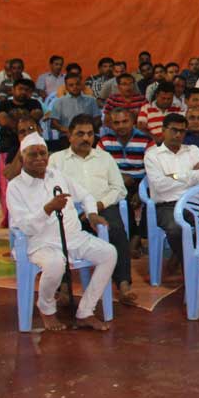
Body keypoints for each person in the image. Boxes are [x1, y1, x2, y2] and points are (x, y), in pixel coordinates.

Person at [8, 133, 117, 331]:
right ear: (22, 157)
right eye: (33, 154)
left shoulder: (57, 175)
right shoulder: (15, 187)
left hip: (74, 237)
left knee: (109, 253)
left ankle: (86, 311)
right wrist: (47, 209)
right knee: (55, 263)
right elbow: (24, 227)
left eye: (43, 153)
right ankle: (47, 308)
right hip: (40, 243)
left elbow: (85, 195)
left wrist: (92, 214)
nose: (39, 158)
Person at [48, 115, 135, 304]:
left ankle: (123, 285)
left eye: (89, 134)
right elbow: (49, 190)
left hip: (101, 206)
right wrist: (73, 209)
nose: (86, 138)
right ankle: (64, 287)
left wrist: (98, 205)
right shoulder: (56, 160)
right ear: (70, 136)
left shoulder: (104, 158)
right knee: (58, 233)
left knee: (116, 229)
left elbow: (119, 189)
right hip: (70, 210)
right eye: (80, 134)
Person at [143, 113, 199, 275]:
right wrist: (190, 175)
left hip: (194, 202)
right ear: (163, 130)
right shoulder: (152, 155)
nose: (178, 134)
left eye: (182, 131)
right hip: (166, 205)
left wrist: (174, 176)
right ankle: (191, 266)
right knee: (175, 229)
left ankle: (181, 258)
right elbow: (160, 186)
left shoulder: (193, 150)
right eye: (174, 130)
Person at [98, 107, 154, 258]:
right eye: (116, 123)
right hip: (116, 181)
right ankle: (133, 239)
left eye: (125, 121)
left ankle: (138, 236)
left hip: (143, 181)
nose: (121, 126)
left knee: (151, 200)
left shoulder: (146, 140)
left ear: (132, 122)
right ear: (111, 124)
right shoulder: (104, 141)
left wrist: (141, 190)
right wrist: (119, 177)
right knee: (120, 198)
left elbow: (154, 169)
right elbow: (99, 168)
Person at [50, 73, 101, 137]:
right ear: (66, 87)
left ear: (81, 85)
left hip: (88, 135)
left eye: (77, 84)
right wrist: (68, 130)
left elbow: (97, 119)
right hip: (68, 135)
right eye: (71, 85)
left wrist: (88, 130)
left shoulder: (91, 100)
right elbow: (54, 123)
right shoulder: (59, 102)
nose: (75, 87)